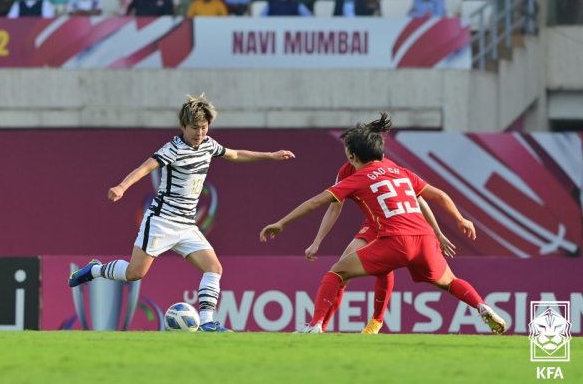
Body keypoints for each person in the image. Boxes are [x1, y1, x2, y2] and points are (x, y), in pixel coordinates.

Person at [260, 115, 507, 335]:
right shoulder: (401, 171)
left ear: (353, 156)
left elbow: (317, 202)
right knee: (450, 281)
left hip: (395, 238)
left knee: (336, 273)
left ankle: (315, 327)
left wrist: (281, 223)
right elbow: (439, 196)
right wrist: (459, 220)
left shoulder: (356, 176)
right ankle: (481, 306)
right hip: (423, 237)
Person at [69, 94, 295, 333]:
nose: (200, 133)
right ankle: (94, 270)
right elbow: (145, 168)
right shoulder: (173, 149)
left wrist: (271, 155)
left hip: (187, 225)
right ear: (183, 127)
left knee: (214, 268)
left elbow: (236, 154)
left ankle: (207, 323)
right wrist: (122, 187)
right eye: (195, 128)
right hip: (161, 222)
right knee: (134, 273)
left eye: (204, 128)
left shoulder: (208, 144)